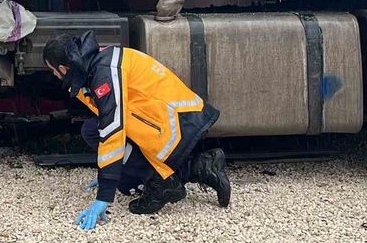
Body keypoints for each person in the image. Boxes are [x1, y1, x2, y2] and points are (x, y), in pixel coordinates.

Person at [43, 31, 231, 230]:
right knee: (91, 130)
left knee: (100, 132)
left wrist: (104, 195)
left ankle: (165, 183)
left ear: (63, 68)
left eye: (53, 71)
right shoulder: (94, 63)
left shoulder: (104, 72)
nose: (55, 76)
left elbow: (112, 130)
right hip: (171, 119)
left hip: (177, 123)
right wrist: (112, 173)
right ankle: (200, 167)